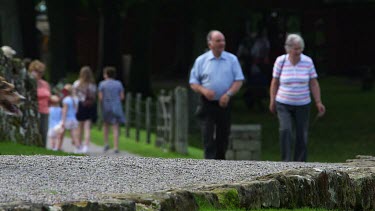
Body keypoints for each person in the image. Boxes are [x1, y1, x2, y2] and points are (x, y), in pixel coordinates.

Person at [269, 33, 326, 162]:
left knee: (302, 134)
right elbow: (275, 82)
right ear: (288, 48)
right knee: (285, 130)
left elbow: (313, 82)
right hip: (283, 102)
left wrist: (318, 102)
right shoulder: (280, 61)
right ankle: (286, 161)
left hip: (303, 103)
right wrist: (272, 100)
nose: (298, 51)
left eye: (300, 48)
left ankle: (300, 162)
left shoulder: (307, 61)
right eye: (295, 48)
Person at [189, 30, 244, 160]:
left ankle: (220, 161)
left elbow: (239, 80)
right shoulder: (201, 61)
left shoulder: (232, 59)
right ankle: (208, 162)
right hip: (207, 103)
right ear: (210, 44)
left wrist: (228, 94)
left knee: (223, 134)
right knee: (207, 133)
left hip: (224, 102)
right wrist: (204, 91)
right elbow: (193, 82)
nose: (222, 43)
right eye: (218, 41)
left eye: (223, 40)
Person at [98, 66, 125, 153]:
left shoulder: (102, 84)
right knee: (115, 127)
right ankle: (116, 147)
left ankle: (106, 144)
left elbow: (100, 97)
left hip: (106, 107)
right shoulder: (119, 84)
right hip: (116, 107)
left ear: (106, 74)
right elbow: (122, 97)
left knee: (106, 126)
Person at [73, 66, 97, 153]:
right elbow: (94, 97)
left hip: (80, 106)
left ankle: (78, 146)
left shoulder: (77, 83)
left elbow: (74, 96)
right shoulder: (92, 85)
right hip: (89, 106)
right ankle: (86, 146)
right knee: (87, 128)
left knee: (79, 127)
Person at [29, 60, 51, 147]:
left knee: (43, 133)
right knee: (34, 134)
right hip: (34, 111)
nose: (40, 74)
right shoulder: (30, 83)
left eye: (42, 72)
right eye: (38, 72)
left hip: (44, 112)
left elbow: (49, 96)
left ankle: (42, 155)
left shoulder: (45, 84)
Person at [58, 84, 80, 153]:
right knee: (74, 135)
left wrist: (63, 121)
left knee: (61, 134)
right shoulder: (75, 99)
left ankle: (58, 147)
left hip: (67, 119)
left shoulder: (66, 100)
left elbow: (64, 111)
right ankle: (77, 147)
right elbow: (76, 110)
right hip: (74, 119)